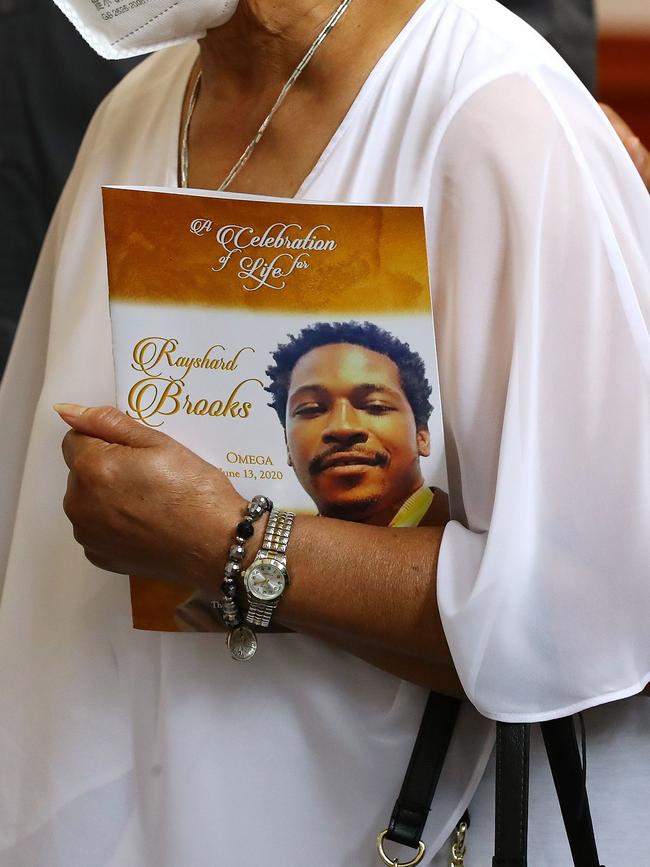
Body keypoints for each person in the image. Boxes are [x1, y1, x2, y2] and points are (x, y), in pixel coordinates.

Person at [0, 2, 648, 866]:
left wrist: (231, 542)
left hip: (387, 828)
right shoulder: (140, 109)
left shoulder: (497, 112)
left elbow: (589, 607)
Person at [265, 320, 448, 526]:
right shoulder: (265, 554)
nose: (343, 427)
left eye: (376, 406)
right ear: (288, 446)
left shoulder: (480, 542)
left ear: (421, 436)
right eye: (311, 409)